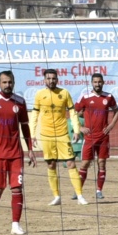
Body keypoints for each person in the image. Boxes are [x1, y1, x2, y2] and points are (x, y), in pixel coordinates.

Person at [0, 69, 34, 234]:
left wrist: (30, 149)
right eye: (4, 82)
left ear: (13, 83)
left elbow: (25, 127)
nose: (7, 85)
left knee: (17, 188)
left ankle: (15, 225)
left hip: (16, 153)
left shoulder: (20, 102)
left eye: (10, 82)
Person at [31, 67, 86, 206]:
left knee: (71, 163)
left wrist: (76, 130)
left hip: (62, 135)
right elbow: (35, 115)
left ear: (57, 79)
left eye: (53, 78)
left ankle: (79, 195)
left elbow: (73, 113)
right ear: (44, 80)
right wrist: (32, 134)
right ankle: (56, 196)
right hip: (46, 135)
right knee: (51, 164)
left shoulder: (64, 93)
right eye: (48, 78)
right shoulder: (39, 94)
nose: (51, 81)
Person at [74, 72, 118, 201]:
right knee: (85, 163)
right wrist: (80, 127)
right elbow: (74, 112)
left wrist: (111, 126)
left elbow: (117, 111)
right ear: (91, 83)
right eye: (95, 82)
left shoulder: (109, 97)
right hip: (89, 137)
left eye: (99, 82)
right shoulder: (85, 97)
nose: (97, 84)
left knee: (102, 163)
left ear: (103, 82)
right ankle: (78, 191)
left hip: (103, 136)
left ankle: (99, 191)